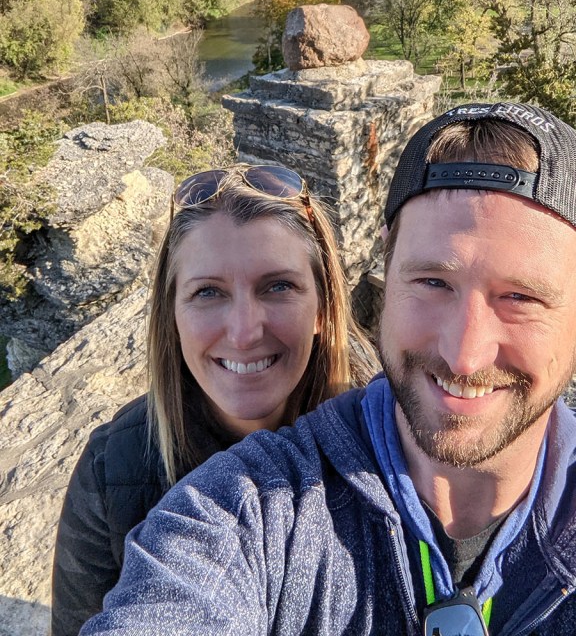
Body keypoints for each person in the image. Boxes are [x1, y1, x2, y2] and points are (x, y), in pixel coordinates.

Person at [79, 101, 576, 636]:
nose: (465, 355)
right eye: (432, 281)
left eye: (521, 296)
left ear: (325, 306)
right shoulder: (229, 506)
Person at [51, 163, 378, 636]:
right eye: (208, 292)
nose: (244, 333)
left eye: (279, 286)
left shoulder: (389, 438)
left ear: (322, 310)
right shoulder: (112, 469)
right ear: (173, 316)